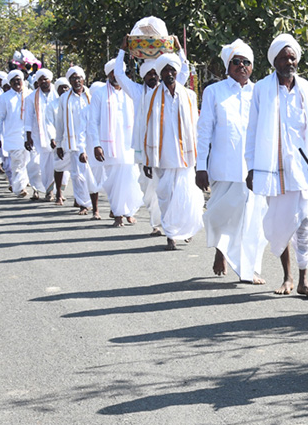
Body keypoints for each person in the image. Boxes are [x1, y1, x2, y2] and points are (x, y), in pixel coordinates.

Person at [245, 34, 308, 296]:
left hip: (304, 170)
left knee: (305, 223)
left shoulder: (307, 90)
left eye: (292, 57)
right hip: (275, 170)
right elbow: (252, 130)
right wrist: (251, 167)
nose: (289, 61)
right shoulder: (261, 90)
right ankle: (286, 277)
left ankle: (302, 279)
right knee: (281, 223)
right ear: (274, 61)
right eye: (283, 57)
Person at [198, 39, 267, 282]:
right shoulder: (214, 92)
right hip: (222, 168)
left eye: (246, 62)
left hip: (253, 170)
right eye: (236, 62)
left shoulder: (260, 92)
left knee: (251, 221)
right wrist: (200, 167)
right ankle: (221, 250)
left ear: (252, 67)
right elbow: (204, 130)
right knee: (219, 216)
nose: (241, 66)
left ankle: (247, 270)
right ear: (228, 66)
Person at [137, 49, 202, 249]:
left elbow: (196, 125)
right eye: (164, 70)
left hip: (185, 156)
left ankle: (185, 229)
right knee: (165, 195)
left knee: (186, 194)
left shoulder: (189, 95)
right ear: (160, 73)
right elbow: (144, 127)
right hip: (162, 155)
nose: (169, 73)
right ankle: (170, 235)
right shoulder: (151, 96)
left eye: (171, 69)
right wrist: (147, 159)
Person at [89, 55, 144, 227]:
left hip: (129, 145)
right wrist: (96, 145)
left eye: (118, 73)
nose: (116, 76)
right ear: (108, 75)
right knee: (113, 182)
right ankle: (118, 214)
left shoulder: (131, 93)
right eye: (112, 73)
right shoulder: (99, 94)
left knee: (131, 178)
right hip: (109, 146)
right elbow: (93, 121)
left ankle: (129, 212)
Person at [52, 67, 99, 216]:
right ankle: (83, 204)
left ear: (84, 79)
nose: (76, 81)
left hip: (94, 141)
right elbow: (59, 122)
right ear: (69, 81)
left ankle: (97, 206)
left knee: (94, 175)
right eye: (73, 78)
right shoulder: (64, 98)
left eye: (79, 78)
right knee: (78, 175)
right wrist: (59, 143)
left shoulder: (92, 95)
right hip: (74, 143)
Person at [0, 70, 30, 196]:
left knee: (28, 163)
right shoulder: (5, 98)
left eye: (18, 80)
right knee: (17, 163)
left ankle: (22, 185)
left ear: (22, 81)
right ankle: (20, 188)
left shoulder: (29, 95)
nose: (16, 82)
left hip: (29, 136)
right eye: (13, 81)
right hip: (12, 136)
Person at [23, 69, 58, 200]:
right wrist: (28, 137)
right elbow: (28, 118)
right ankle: (49, 190)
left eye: (46, 79)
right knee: (43, 164)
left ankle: (58, 189)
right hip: (40, 135)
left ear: (50, 79)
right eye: (41, 79)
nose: (43, 82)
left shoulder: (58, 93)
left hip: (59, 133)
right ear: (37, 81)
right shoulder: (31, 98)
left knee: (60, 163)